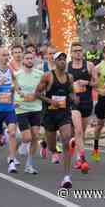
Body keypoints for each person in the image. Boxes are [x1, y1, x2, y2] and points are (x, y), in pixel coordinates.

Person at [35, 51, 74, 188]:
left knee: (66, 139)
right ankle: (48, 146)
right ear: (55, 62)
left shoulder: (69, 77)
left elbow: (71, 91)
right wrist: (50, 100)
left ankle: (67, 176)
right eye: (60, 59)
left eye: (64, 59)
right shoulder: (48, 76)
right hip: (50, 115)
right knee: (53, 146)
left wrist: (74, 97)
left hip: (64, 114)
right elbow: (37, 93)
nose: (62, 61)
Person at [67, 42, 95, 173]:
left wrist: (87, 82)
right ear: (71, 53)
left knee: (81, 133)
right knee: (78, 130)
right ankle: (82, 159)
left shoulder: (89, 65)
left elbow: (96, 82)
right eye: (75, 51)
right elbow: (63, 84)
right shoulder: (67, 67)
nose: (78, 52)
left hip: (87, 102)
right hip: (74, 103)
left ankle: (76, 149)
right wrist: (71, 88)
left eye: (80, 50)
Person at [15, 51, 44, 174]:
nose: (29, 60)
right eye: (27, 58)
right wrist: (15, 101)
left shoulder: (40, 74)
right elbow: (14, 90)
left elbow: (44, 90)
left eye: (31, 58)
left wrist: (38, 95)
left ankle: (29, 164)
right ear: (23, 60)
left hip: (36, 108)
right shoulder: (17, 75)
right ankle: (15, 144)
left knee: (35, 137)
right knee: (26, 137)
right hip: (21, 109)